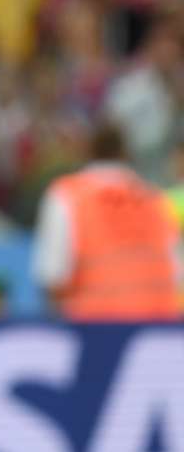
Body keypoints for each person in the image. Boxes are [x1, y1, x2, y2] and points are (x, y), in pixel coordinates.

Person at [31, 125, 182, 321]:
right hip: (155, 332)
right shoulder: (154, 200)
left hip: (95, 331)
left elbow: (52, 276)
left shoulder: (67, 195)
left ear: (86, 151)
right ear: (126, 153)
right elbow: (177, 273)